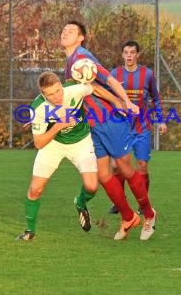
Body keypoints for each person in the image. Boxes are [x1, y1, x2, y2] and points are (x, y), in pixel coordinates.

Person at [61, 20, 157, 241]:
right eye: (64, 30)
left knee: (125, 168)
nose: (65, 32)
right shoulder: (70, 62)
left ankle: (149, 214)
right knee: (104, 174)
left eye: (71, 30)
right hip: (94, 124)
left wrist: (123, 102)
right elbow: (87, 89)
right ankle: (128, 217)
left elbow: (109, 79)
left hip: (110, 120)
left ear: (81, 37)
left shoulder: (82, 57)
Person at [16, 72, 124, 240]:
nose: (58, 96)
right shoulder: (38, 109)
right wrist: (58, 126)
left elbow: (93, 88)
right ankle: (30, 231)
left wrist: (116, 101)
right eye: (51, 94)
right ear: (43, 95)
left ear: (61, 85)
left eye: (59, 90)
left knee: (92, 187)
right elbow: (39, 143)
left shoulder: (73, 90)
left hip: (81, 142)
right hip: (53, 145)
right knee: (35, 189)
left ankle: (80, 202)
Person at [108, 40, 167, 214]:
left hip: (142, 127)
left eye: (132, 52)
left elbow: (156, 98)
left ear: (138, 55)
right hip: (121, 127)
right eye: (126, 52)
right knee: (116, 166)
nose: (129, 56)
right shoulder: (115, 74)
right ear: (122, 55)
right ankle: (120, 201)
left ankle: (143, 202)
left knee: (142, 165)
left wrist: (161, 121)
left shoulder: (147, 74)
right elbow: (107, 98)